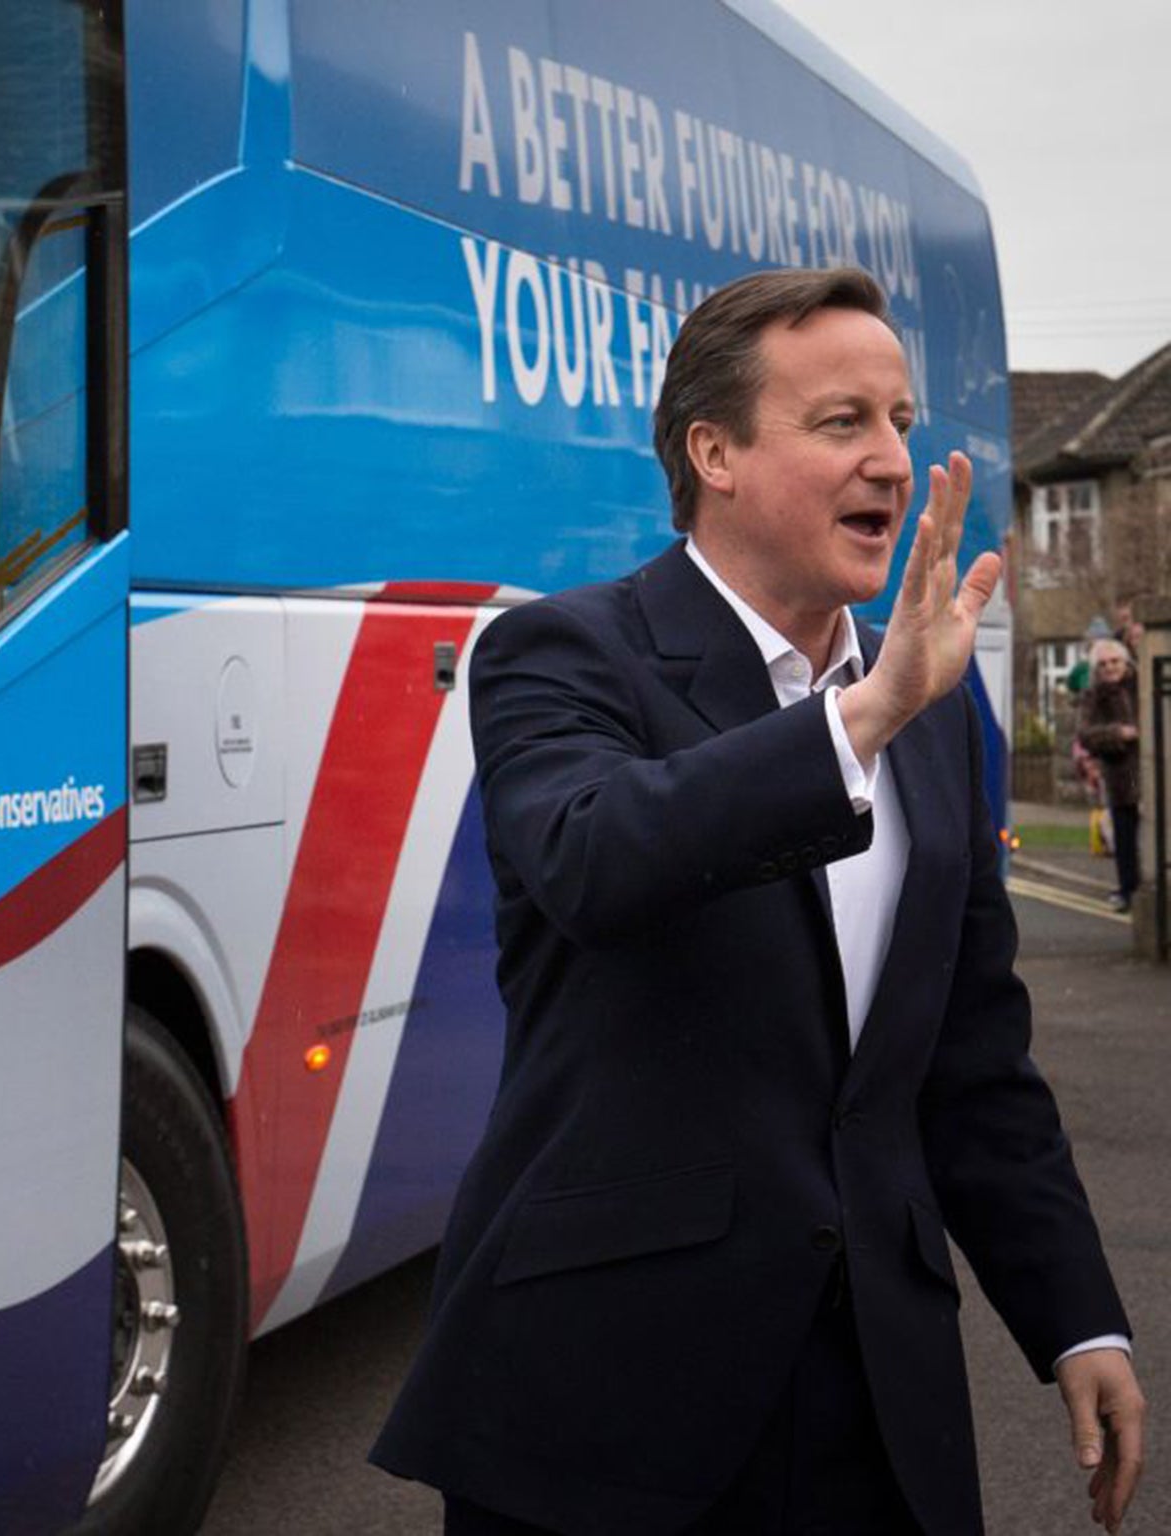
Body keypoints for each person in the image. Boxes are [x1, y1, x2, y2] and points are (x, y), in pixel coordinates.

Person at [372, 267, 1145, 1535]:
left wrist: (1077, 1319)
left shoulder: (936, 717)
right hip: (609, 1413)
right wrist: (863, 715)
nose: (891, 462)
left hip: (878, 1413)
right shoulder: (564, 652)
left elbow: (969, 1064)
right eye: (842, 422)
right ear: (713, 452)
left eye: (900, 422)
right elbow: (594, 855)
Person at [1078, 638, 1142, 913]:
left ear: (1125, 662)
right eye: (1103, 664)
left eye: (1114, 661)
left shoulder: (1142, 682)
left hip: (1152, 772)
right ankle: (1128, 890)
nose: (1110, 668)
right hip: (1121, 776)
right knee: (1125, 839)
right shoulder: (1094, 695)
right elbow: (1086, 734)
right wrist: (1118, 733)